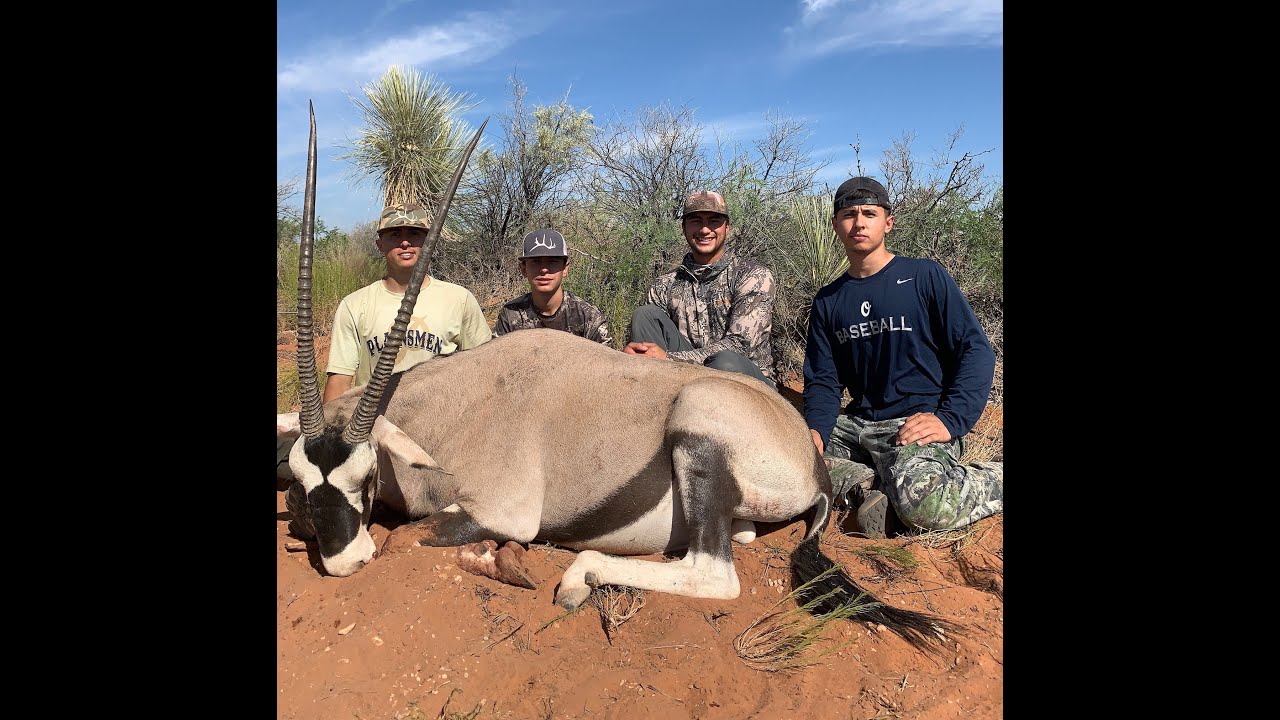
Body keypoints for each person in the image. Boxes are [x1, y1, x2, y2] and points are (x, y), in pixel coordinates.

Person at [802, 177, 1002, 538]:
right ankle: (866, 487)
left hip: (914, 423)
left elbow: (976, 350)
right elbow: (823, 379)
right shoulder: (828, 300)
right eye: (848, 214)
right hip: (856, 425)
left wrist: (949, 419)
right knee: (790, 460)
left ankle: (991, 478)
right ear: (836, 225)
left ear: (888, 222)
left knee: (925, 506)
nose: (859, 223)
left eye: (869, 213)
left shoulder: (924, 276)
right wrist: (816, 429)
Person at [276, 201, 492, 479]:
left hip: (443, 430)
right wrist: (328, 444)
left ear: (428, 242)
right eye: (394, 235)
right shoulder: (355, 304)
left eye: (414, 234)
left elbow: (483, 372)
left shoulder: (459, 299)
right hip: (375, 429)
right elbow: (340, 380)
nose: (405, 242)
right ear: (380, 245)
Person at [623, 190, 777, 388]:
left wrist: (668, 359)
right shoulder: (665, 284)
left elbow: (741, 346)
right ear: (684, 228)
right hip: (686, 377)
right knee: (645, 315)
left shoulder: (754, 276)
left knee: (724, 362)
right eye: (696, 221)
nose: (705, 230)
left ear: (727, 228)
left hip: (746, 381)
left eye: (714, 221)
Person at [493, 229, 613, 344]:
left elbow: (604, 362)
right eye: (535, 261)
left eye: (552, 261)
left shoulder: (589, 316)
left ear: (565, 268)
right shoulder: (510, 314)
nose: (544, 269)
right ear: (523, 269)